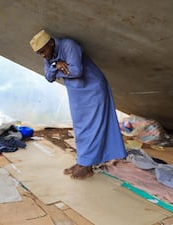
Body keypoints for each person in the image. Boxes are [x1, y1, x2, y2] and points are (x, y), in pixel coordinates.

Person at [30, 30, 127, 179]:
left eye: (43, 51)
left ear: (51, 43)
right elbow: (49, 77)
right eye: (39, 53)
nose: (43, 55)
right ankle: (82, 161)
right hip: (77, 94)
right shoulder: (49, 55)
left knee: (93, 127)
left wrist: (57, 70)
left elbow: (76, 71)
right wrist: (56, 65)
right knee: (80, 127)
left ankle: (88, 165)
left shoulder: (68, 45)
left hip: (93, 88)